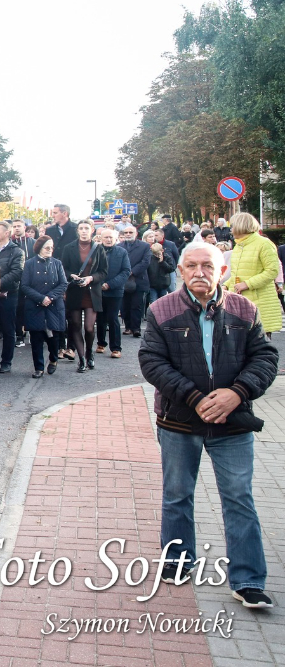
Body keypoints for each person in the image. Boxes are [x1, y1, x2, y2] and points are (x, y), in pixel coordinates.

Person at [139, 240, 279, 608]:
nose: (199, 272)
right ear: (180, 271)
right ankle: (177, 561)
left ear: (223, 271)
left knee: (239, 499)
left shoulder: (244, 309)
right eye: (191, 266)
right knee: (177, 494)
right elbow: (152, 362)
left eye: (207, 265)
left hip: (232, 423)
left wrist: (238, 392)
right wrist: (195, 398)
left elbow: (265, 357)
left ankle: (247, 579)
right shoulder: (161, 309)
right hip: (179, 420)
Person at [59, 220, 108, 372]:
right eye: (81, 228)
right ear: (78, 231)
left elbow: (104, 271)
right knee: (75, 325)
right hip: (74, 290)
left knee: (88, 327)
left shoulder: (98, 248)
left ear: (92, 230)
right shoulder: (69, 248)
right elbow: (63, 268)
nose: (84, 231)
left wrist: (90, 278)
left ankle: (89, 354)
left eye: (87, 228)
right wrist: (71, 275)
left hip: (91, 292)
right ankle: (81, 359)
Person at [224, 212, 282, 338]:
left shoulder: (263, 243)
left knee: (259, 347)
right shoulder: (239, 245)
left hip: (259, 301)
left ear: (241, 225)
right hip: (240, 301)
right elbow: (237, 273)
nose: (230, 229)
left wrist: (247, 284)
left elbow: (272, 271)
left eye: (232, 225)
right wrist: (226, 285)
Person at [22, 236, 68, 376]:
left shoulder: (57, 263)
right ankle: (39, 367)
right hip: (35, 305)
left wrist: (50, 297)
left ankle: (53, 359)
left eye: (51, 247)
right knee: (36, 338)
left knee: (53, 338)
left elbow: (63, 284)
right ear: (39, 248)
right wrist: (41, 298)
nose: (50, 250)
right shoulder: (30, 264)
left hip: (53, 306)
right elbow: (24, 286)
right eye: (47, 247)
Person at [0, 221, 25, 374]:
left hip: (8, 295)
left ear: (6, 233)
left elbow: (17, 273)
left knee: (8, 329)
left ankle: (6, 361)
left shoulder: (17, 251)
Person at [94, 227, 131, 359]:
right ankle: (101, 343)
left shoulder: (122, 252)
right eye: (106, 237)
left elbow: (126, 271)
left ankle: (116, 348)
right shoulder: (96, 251)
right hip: (98, 290)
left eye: (111, 237)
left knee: (113, 318)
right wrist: (99, 284)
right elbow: (92, 270)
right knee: (100, 318)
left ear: (115, 239)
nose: (108, 240)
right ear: (101, 239)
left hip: (115, 291)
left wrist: (110, 284)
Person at [120, 225, 152, 338]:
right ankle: (128, 327)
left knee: (136, 305)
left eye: (130, 232)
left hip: (139, 279)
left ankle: (136, 328)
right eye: (126, 232)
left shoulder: (145, 246)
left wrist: (132, 271)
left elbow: (146, 262)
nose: (128, 234)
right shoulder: (119, 246)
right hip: (123, 280)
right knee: (125, 305)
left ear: (136, 233)